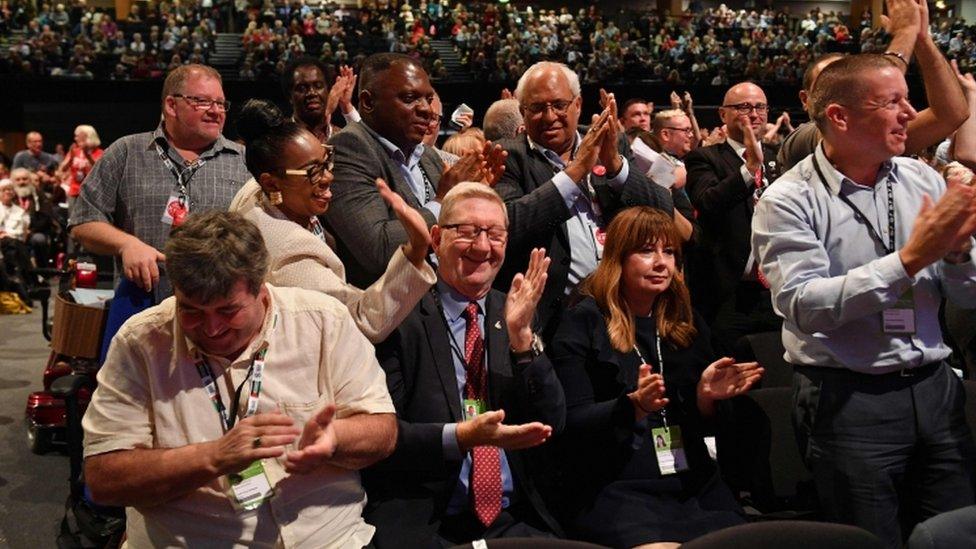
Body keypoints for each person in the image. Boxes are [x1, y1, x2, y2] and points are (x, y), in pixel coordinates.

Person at [752, 53, 976, 547]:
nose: (910, 114)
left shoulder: (922, 180)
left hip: (936, 389)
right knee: (870, 541)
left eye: (907, 99)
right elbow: (806, 305)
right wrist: (912, 258)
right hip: (848, 399)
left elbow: (966, 296)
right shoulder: (788, 199)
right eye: (893, 101)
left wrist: (959, 254)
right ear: (839, 116)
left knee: (957, 534)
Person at [82, 210, 397, 548]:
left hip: (327, 539)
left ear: (262, 289)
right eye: (190, 311)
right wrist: (212, 457)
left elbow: (384, 430)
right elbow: (103, 478)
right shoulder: (141, 341)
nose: (212, 328)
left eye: (228, 311)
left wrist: (335, 438)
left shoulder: (323, 320)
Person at [366, 183, 564, 545]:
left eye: (495, 234)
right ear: (437, 237)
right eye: (469, 232)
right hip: (429, 518)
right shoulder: (402, 314)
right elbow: (380, 436)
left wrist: (523, 341)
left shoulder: (516, 310)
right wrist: (458, 438)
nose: (483, 247)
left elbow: (552, 421)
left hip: (513, 517)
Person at [551, 206, 761, 547]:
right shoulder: (583, 321)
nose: (662, 263)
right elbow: (569, 423)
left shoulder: (684, 323)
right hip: (616, 486)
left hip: (692, 481)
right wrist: (631, 407)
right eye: (647, 251)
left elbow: (713, 427)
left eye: (669, 252)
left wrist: (704, 398)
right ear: (618, 257)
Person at [229, 98, 435, 343]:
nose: (328, 177)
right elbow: (361, 322)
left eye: (327, 161)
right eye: (313, 171)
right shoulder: (287, 254)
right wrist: (417, 250)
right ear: (271, 183)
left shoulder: (261, 194)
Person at [495, 61, 674, 341]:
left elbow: (663, 212)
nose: (549, 115)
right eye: (537, 107)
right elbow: (509, 225)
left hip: (621, 312)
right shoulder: (508, 156)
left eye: (558, 104)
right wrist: (576, 171)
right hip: (552, 319)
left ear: (577, 104)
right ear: (522, 112)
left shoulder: (611, 143)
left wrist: (614, 164)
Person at [69, 64, 251, 302]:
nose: (216, 111)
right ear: (171, 105)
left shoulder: (246, 161)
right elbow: (83, 220)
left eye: (220, 103)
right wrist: (126, 244)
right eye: (203, 101)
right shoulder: (126, 152)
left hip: (219, 313)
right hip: (142, 307)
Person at [325, 52, 505, 287]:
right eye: (410, 98)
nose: (426, 110)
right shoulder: (349, 148)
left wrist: (470, 201)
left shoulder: (427, 155)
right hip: (387, 314)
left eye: (428, 99)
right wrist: (444, 201)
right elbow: (379, 250)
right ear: (368, 102)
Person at [778, 0, 967, 171]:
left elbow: (952, 115)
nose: (850, 91)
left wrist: (922, 41)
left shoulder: (878, 134)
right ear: (806, 100)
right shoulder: (801, 139)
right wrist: (905, 33)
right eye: (832, 86)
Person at [684, 81, 782, 354]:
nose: (754, 113)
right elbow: (708, 202)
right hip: (729, 294)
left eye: (760, 107)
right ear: (722, 114)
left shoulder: (780, 159)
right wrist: (750, 168)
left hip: (778, 289)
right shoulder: (704, 158)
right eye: (743, 107)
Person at [283, 57, 360, 144]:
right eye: (302, 88)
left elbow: (368, 146)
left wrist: (346, 105)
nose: (312, 93)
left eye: (318, 86)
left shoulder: (342, 138)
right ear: (290, 96)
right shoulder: (279, 139)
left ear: (328, 91)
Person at [58, 124, 104, 211]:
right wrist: (71, 157)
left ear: (87, 136)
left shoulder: (99, 153)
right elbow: (62, 169)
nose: (75, 139)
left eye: (78, 136)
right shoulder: (74, 151)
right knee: (72, 217)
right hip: (74, 189)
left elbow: (98, 170)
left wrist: (87, 155)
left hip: (91, 191)